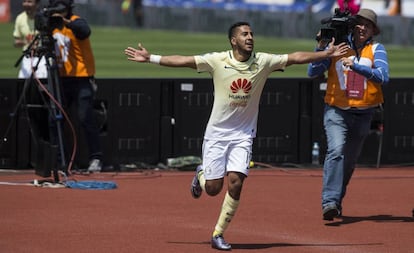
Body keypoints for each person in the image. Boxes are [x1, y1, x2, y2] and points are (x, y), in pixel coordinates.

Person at [124, 21, 348, 251]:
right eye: (244, 34)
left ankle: (218, 233)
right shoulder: (217, 60)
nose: (250, 37)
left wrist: (326, 53)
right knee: (212, 188)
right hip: (217, 134)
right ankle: (200, 173)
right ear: (233, 40)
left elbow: (294, 57)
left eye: (251, 33)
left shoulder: (263, 61)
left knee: (236, 183)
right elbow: (184, 61)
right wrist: (151, 58)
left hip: (243, 135)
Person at [307, 9, 389, 221]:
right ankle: (330, 202)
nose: (362, 28)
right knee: (336, 151)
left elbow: (383, 76)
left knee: (349, 162)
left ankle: (336, 200)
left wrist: (358, 67)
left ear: (373, 31)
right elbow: (312, 72)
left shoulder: (377, 49)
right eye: (359, 24)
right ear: (352, 26)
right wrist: (322, 48)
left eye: (367, 25)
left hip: (364, 113)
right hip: (337, 110)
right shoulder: (338, 47)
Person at [49, 0, 103, 173]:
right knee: (56, 119)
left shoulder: (76, 21)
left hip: (81, 77)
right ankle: (61, 160)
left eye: (62, 11)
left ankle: (96, 157)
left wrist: (66, 22)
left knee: (85, 118)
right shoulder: (52, 26)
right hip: (61, 78)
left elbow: (84, 31)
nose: (59, 14)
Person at [13, 0, 48, 79]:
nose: (26, 4)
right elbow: (16, 41)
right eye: (24, 1)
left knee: (42, 84)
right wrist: (26, 42)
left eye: (29, 1)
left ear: (37, 4)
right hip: (27, 58)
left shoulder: (44, 18)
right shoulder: (20, 18)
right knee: (22, 84)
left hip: (42, 58)